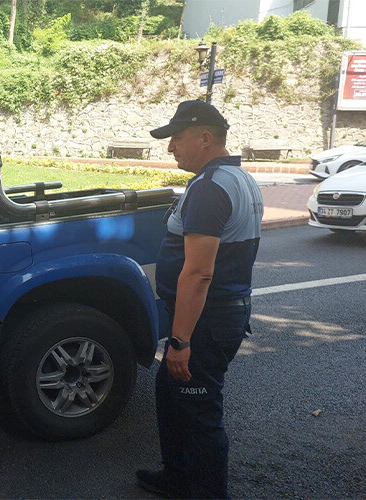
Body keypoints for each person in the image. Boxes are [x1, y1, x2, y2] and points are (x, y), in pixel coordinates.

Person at [136, 100, 263, 499]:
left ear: (205, 138)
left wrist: (180, 342)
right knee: (170, 394)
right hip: (217, 315)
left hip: (206, 321)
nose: (171, 148)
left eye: (177, 139)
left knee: (199, 409)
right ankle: (177, 476)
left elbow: (199, 272)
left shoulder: (210, 188)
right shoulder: (237, 178)